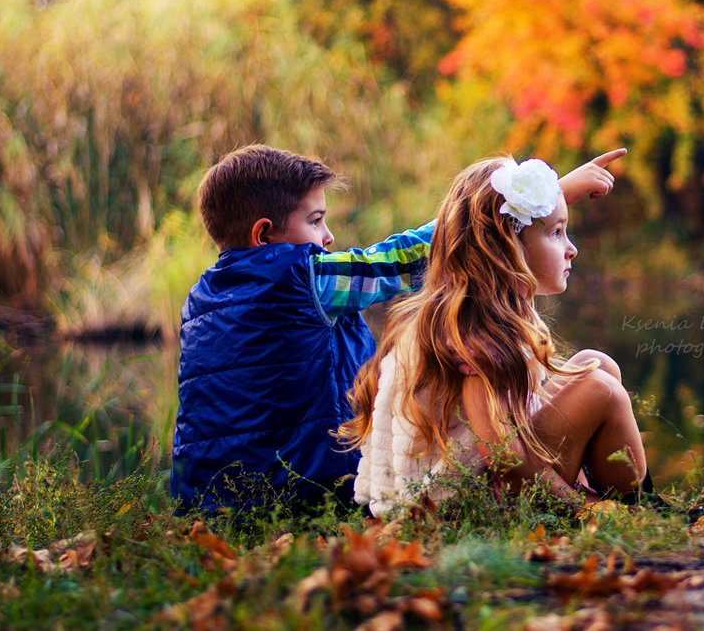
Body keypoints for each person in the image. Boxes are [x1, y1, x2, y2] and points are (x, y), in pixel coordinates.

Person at [172, 144, 621, 513]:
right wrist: (537, 201)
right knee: (597, 382)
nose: (328, 237)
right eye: (315, 221)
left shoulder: (200, 300)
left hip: (207, 502)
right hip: (300, 494)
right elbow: (409, 256)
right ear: (263, 235)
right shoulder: (298, 280)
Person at [337, 155, 648, 516]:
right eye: (555, 233)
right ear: (507, 249)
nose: (571, 248)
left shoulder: (471, 310)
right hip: (459, 506)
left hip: (476, 486)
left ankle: (623, 503)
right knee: (600, 389)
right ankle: (634, 509)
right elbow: (502, 455)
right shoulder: (477, 333)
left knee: (595, 366)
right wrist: (581, 506)